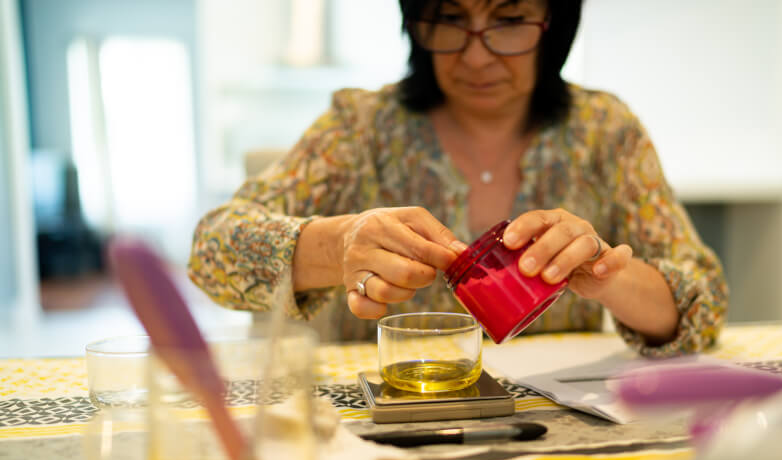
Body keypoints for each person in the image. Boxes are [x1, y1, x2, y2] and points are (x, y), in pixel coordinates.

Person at [189, 0, 728, 356]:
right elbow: (211, 251)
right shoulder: (361, 127)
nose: (475, 55)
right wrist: (339, 245)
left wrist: (608, 278)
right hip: (384, 431)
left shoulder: (604, 131)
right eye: (449, 17)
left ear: (554, 23)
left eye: (509, 19)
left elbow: (703, 307)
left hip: (552, 432)